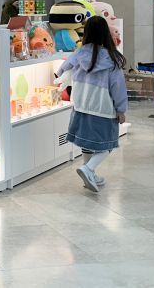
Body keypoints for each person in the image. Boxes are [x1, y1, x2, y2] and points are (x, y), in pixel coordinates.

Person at [56, 16, 127, 193]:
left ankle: (89, 173)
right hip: (102, 108)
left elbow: (62, 68)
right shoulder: (112, 58)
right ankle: (88, 169)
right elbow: (118, 87)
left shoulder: (79, 53)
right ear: (105, 33)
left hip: (81, 105)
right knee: (108, 144)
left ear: (86, 32)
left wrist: (61, 75)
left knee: (86, 142)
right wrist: (121, 110)